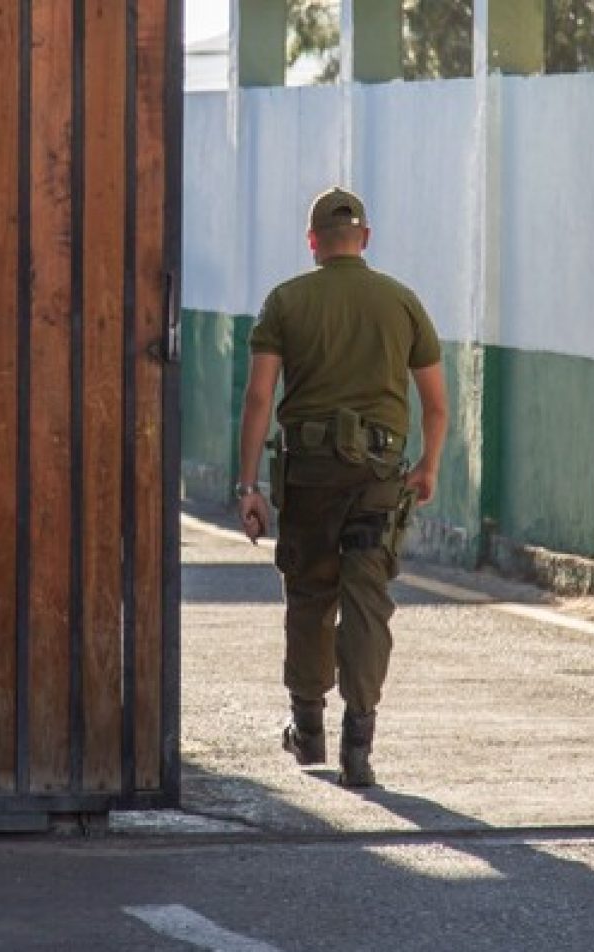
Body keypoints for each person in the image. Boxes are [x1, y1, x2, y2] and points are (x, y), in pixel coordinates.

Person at [236, 186, 448, 788]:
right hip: (379, 479)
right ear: (366, 239)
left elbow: (258, 398)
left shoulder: (285, 301)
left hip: (309, 477)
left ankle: (307, 732)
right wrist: (427, 466)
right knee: (367, 604)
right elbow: (435, 404)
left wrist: (247, 484)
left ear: (312, 242)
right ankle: (360, 745)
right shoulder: (402, 302)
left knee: (308, 594)